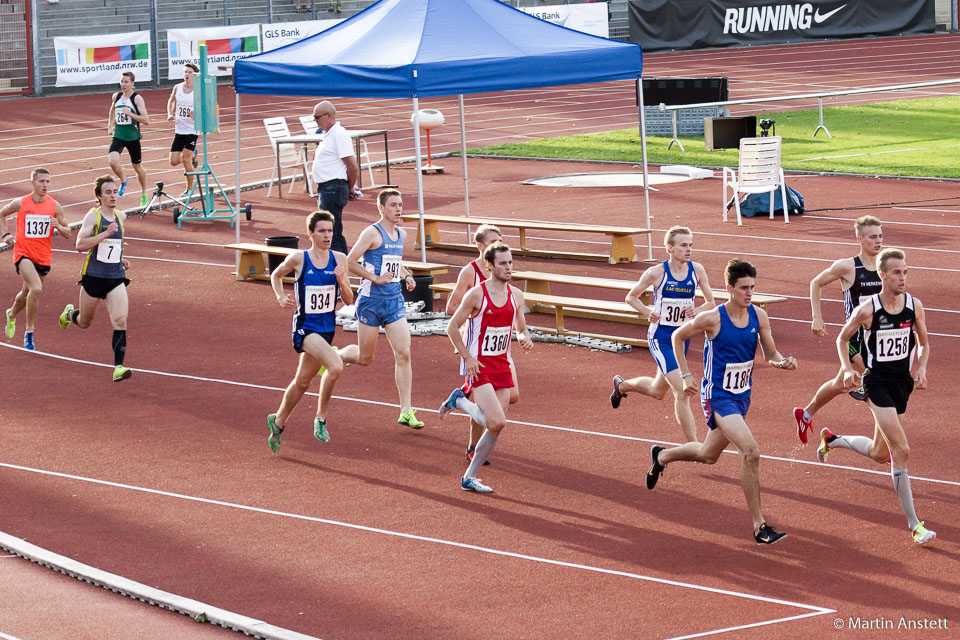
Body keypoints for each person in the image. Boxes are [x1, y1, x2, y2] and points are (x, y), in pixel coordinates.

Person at [645, 259, 797, 545]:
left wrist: (781, 362)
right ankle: (759, 526)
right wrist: (687, 375)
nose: (749, 293)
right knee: (751, 452)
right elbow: (678, 336)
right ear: (729, 289)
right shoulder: (713, 318)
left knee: (707, 454)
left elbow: (771, 353)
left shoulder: (759, 316)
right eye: (743, 288)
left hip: (741, 397)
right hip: (717, 397)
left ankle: (662, 456)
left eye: (752, 287)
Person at [817, 248, 934, 544]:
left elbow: (923, 342)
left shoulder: (914, 306)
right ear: (882, 275)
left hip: (901, 384)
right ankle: (915, 526)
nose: (903, 277)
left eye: (905, 272)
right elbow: (842, 338)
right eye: (897, 272)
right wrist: (846, 368)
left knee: (880, 454)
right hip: (876, 382)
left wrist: (920, 367)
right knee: (901, 450)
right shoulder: (867, 310)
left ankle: (833, 440)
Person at [441, 242, 533, 493]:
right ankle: (460, 401)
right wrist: (467, 358)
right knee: (497, 422)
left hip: (502, 363)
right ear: (489, 266)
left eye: (511, 262)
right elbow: (451, 327)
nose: (508, 267)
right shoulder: (477, 294)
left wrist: (525, 336)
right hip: (479, 365)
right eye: (503, 263)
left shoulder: (516, 295)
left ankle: (469, 477)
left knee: (496, 425)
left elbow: (520, 327)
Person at [611, 226, 715, 443]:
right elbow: (631, 297)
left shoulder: (697, 270)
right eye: (684, 245)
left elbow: (711, 302)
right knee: (682, 389)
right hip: (660, 338)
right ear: (670, 248)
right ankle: (694, 445)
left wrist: (696, 310)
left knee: (658, 391)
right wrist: (648, 312)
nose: (689, 250)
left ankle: (622, 386)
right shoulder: (656, 273)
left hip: (681, 339)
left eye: (690, 245)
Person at [266, 210, 353, 452]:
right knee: (335, 366)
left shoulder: (340, 259)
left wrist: (343, 281)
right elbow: (275, 274)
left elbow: (348, 300)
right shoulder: (299, 259)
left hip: (326, 329)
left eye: (329, 231)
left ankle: (278, 421)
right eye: (322, 231)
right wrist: (281, 295)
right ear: (311, 234)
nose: (327, 235)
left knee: (303, 382)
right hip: (305, 328)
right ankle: (321, 419)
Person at [794, 216, 884, 443]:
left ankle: (805, 414)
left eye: (881, 236)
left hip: (877, 338)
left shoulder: (886, 266)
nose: (878, 241)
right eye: (873, 237)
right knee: (876, 382)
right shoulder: (848, 266)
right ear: (860, 239)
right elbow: (816, 283)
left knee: (838, 385)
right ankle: (887, 437)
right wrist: (817, 317)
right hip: (854, 338)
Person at [339, 189, 423, 428]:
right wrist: (373, 277)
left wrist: (406, 275)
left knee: (404, 353)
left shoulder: (401, 234)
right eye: (394, 205)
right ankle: (337, 356)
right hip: (371, 301)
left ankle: (406, 410)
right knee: (365, 358)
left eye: (401, 204)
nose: (398, 209)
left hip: (394, 301)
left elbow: (395, 263)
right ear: (381, 208)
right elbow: (348, 261)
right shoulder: (371, 233)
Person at [443, 224, 520, 464]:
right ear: (480, 247)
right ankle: (472, 447)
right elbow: (451, 309)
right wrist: (473, 318)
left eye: (500, 240)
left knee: (513, 396)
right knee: (489, 409)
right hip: (476, 345)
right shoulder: (470, 273)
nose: (497, 245)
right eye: (491, 242)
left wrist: (522, 333)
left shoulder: (505, 277)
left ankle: (465, 395)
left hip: (500, 349)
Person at [57, 176, 133, 381]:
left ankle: (118, 367)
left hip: (115, 277)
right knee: (84, 322)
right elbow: (80, 245)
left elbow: (114, 248)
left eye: (115, 191)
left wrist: (121, 259)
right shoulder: (93, 217)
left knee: (120, 320)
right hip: (93, 277)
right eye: (107, 192)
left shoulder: (121, 217)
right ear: (99, 196)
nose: (112, 195)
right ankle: (70, 314)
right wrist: (105, 234)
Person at [1, 168, 72, 351]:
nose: (45, 185)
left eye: (48, 181)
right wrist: (5, 234)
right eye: (41, 181)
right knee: (36, 289)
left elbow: (68, 233)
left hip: (43, 256)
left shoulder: (55, 206)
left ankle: (11, 314)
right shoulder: (21, 203)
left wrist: (59, 227)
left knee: (26, 295)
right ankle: (29, 332)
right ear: (32, 183)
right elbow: (1, 214)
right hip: (23, 254)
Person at [311, 101, 359, 255]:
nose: (315, 120)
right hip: (327, 188)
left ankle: (340, 271)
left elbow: (352, 166)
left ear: (329, 116)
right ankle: (335, 268)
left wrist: (350, 187)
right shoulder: (328, 134)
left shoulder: (338, 134)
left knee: (332, 233)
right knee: (330, 232)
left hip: (333, 188)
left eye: (317, 117)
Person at [107, 71, 150, 208]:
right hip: (119, 135)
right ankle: (123, 179)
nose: (123, 84)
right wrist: (110, 125)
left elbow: (146, 120)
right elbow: (112, 110)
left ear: (132, 84)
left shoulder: (137, 99)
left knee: (137, 167)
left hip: (133, 137)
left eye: (126, 82)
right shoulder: (116, 96)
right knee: (112, 160)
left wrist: (130, 113)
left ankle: (144, 192)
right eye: (121, 81)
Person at [166, 62, 199, 198]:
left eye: (190, 72)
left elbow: (205, 107)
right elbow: (171, 100)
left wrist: (196, 113)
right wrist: (170, 113)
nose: (187, 75)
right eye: (185, 72)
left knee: (186, 159)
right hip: (179, 129)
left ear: (195, 75)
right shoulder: (177, 87)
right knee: (173, 161)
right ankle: (193, 155)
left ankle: (189, 188)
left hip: (192, 130)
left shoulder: (198, 90)